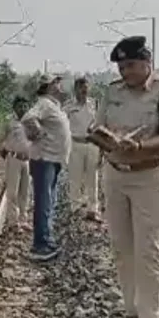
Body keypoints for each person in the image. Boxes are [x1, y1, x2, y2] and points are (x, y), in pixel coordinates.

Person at [90, 36, 159, 318]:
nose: (125, 71)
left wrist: (139, 146)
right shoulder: (112, 92)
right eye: (121, 66)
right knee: (122, 248)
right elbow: (97, 127)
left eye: (130, 65)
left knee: (148, 249)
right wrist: (105, 140)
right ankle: (130, 314)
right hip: (115, 175)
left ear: (147, 62)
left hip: (150, 175)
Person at [21, 75, 71, 261]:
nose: (60, 84)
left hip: (52, 159)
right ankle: (40, 245)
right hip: (44, 159)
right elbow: (28, 118)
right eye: (56, 82)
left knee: (49, 202)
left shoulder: (53, 105)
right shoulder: (44, 103)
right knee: (44, 202)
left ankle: (46, 240)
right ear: (49, 86)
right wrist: (38, 133)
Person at [63, 77, 101, 221]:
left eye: (86, 87)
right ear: (76, 89)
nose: (84, 90)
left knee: (93, 178)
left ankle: (93, 209)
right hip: (75, 144)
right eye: (81, 88)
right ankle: (76, 207)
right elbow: (62, 127)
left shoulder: (94, 105)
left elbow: (100, 125)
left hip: (92, 144)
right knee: (75, 177)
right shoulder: (68, 107)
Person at [0, 95, 32, 232]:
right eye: (20, 106)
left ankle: (23, 220)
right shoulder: (8, 122)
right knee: (12, 192)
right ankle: (13, 221)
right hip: (14, 159)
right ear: (14, 108)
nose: (22, 109)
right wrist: (4, 153)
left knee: (25, 191)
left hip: (27, 160)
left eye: (25, 106)